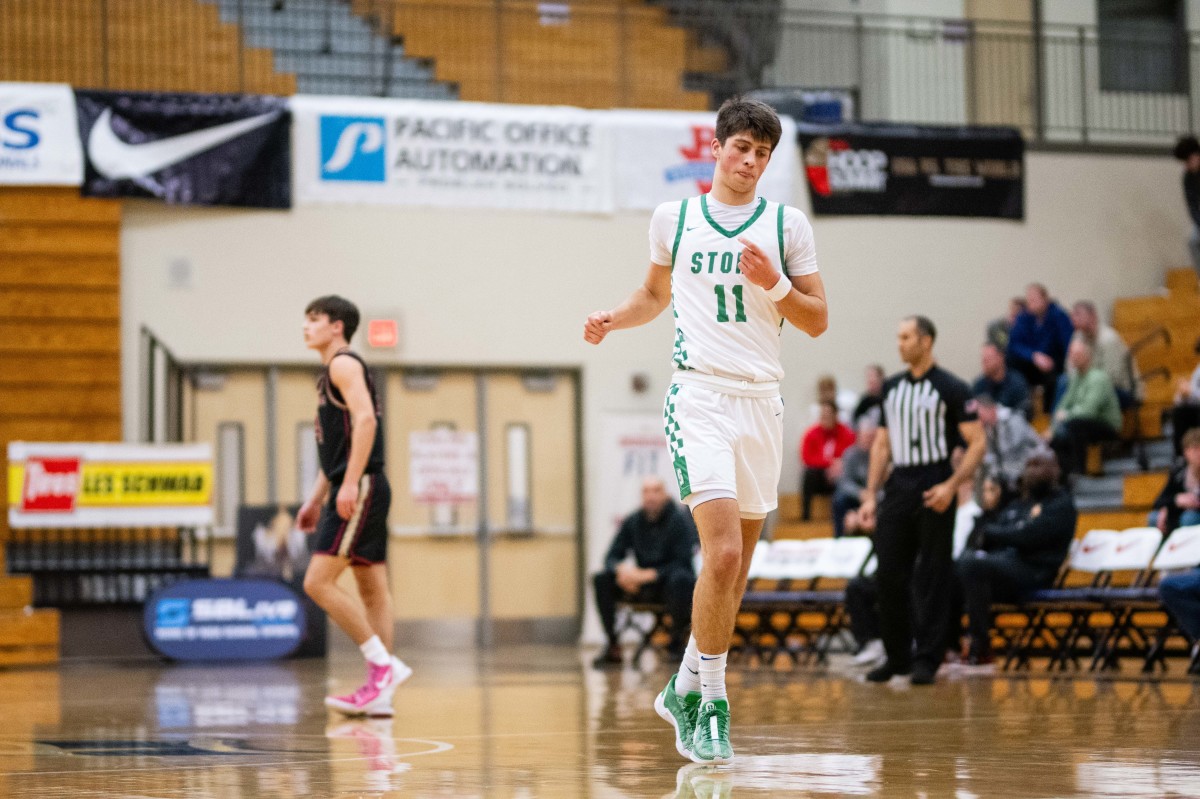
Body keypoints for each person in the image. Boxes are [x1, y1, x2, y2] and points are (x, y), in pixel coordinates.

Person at [584, 97, 828, 763]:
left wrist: (774, 282)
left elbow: (816, 319)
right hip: (699, 394)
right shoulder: (676, 217)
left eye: (762, 153)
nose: (750, 161)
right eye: (741, 147)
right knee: (719, 554)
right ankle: (711, 699)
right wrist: (614, 315)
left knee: (736, 564)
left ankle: (683, 682)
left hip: (762, 402)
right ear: (716, 148)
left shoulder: (786, 224)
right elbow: (654, 295)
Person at [297, 295, 411, 717]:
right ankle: (380, 693)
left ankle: (382, 667)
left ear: (337, 326)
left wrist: (348, 484)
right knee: (371, 589)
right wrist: (315, 500)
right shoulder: (333, 372)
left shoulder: (343, 364)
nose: (306, 327)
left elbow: (366, 422)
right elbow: (338, 450)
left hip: (361, 486)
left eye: (314, 320)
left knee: (317, 582)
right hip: (363, 483)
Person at [857, 316, 986, 686]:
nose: (899, 344)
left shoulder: (952, 388)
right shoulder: (892, 388)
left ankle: (928, 658)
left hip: (934, 482)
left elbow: (978, 443)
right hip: (899, 485)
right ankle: (896, 656)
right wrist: (870, 494)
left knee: (932, 575)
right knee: (887, 575)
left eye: (906, 337)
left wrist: (951, 485)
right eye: (898, 337)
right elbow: (882, 444)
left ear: (926, 341)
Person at [955, 455, 1077, 670]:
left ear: (1054, 472)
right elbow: (991, 534)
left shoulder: (1062, 504)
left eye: (1038, 465)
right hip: (1007, 568)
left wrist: (995, 534)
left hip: (1036, 572)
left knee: (973, 565)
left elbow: (1028, 537)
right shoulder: (1019, 504)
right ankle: (950, 646)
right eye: (1030, 465)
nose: (1032, 471)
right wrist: (998, 534)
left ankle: (981, 646)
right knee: (953, 568)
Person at [592, 477, 699, 667]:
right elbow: (611, 557)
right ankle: (613, 645)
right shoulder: (634, 520)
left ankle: (676, 644)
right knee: (601, 579)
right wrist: (622, 571)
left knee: (681, 580)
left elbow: (684, 560)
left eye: (656, 491)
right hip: (640, 586)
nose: (650, 497)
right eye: (646, 491)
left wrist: (650, 575)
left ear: (665, 494)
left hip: (670, 584)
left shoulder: (680, 519)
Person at [1047, 339, 1122, 477]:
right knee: (1056, 437)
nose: (1073, 358)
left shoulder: (1098, 378)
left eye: (1077, 355)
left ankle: (1080, 471)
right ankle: (1065, 476)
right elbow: (1064, 403)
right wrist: (1054, 426)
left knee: (1076, 424)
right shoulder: (1076, 378)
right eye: (1071, 355)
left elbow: (1089, 411)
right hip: (1083, 423)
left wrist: (1066, 415)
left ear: (1087, 356)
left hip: (1107, 425)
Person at [1006, 283, 1074, 408]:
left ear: (1045, 299)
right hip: (1031, 363)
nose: (1030, 304)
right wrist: (1034, 356)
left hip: (1053, 364)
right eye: (1028, 300)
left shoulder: (1059, 316)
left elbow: (1068, 345)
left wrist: (1049, 360)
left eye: (1034, 300)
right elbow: (1014, 344)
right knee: (1010, 360)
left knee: (1055, 377)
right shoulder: (1024, 317)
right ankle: (1020, 407)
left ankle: (1049, 413)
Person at [1067, 300, 1136, 410]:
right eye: (1073, 315)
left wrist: (1085, 386)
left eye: (1078, 314)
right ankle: (1059, 423)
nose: (1074, 319)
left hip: (1120, 390)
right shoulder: (1077, 336)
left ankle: (1073, 422)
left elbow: (1113, 378)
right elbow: (1070, 367)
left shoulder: (1108, 339)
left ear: (1093, 316)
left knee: (1089, 399)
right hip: (1089, 387)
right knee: (1064, 382)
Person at [975, 394, 1049, 493]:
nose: (978, 420)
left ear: (991, 409)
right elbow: (991, 455)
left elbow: (1012, 450)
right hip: (1008, 472)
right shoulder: (988, 428)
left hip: (1028, 465)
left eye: (979, 414)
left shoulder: (1012, 419)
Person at [799, 400, 855, 522]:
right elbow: (806, 457)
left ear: (835, 415)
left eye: (828, 414)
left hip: (838, 477)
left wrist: (838, 466)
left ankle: (839, 519)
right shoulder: (811, 433)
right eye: (822, 414)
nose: (825, 417)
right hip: (819, 476)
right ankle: (806, 517)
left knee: (842, 476)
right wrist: (829, 464)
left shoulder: (846, 433)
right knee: (809, 474)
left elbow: (851, 456)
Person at [1150, 427, 1200, 535]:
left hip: (1192, 517)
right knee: (1154, 517)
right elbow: (1158, 501)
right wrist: (1175, 501)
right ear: (1186, 452)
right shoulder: (1179, 472)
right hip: (1181, 514)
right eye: (1195, 448)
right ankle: (1166, 550)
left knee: (1189, 518)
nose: (1198, 453)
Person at [831, 418, 875, 537]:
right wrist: (860, 493)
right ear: (859, 436)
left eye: (871, 436)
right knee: (838, 499)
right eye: (866, 436)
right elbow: (844, 482)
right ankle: (839, 538)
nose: (868, 440)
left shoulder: (878, 456)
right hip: (855, 496)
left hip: (874, 496)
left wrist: (871, 496)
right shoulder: (850, 454)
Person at [972, 341, 1031, 418]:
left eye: (988, 359)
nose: (984, 363)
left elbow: (1025, 414)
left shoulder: (1017, 383)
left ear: (1001, 358)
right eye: (983, 359)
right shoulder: (979, 385)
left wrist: (997, 413)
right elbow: (969, 409)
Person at [1173, 135, 1200, 276]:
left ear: (1197, 155)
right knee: (1193, 242)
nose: (1187, 165)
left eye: (1188, 160)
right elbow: (1192, 205)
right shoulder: (1188, 178)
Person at [1170, 336, 1200, 457]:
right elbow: (1179, 400)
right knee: (1179, 412)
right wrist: (1182, 394)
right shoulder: (1198, 371)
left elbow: (1193, 392)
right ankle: (1181, 456)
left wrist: (1191, 391)